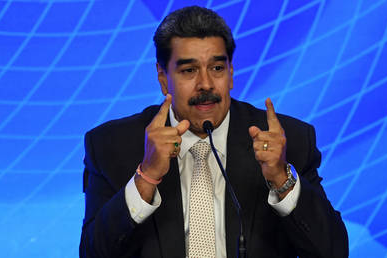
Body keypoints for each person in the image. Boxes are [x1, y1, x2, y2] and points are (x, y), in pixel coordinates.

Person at [79, 5, 348, 258]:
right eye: (189, 70)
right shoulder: (111, 146)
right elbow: (93, 253)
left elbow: (333, 252)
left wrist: (281, 178)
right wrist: (146, 178)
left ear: (231, 73)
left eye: (217, 68)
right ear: (163, 78)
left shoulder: (286, 141)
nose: (205, 84)